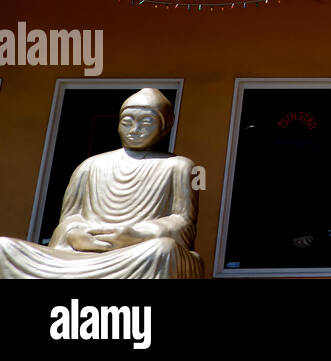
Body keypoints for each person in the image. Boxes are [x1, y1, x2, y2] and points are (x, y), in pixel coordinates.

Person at [0, 88, 203, 279]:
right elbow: (70, 219)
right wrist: (74, 235)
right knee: (4, 247)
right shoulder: (90, 166)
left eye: (147, 122)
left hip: (135, 253)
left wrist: (137, 235)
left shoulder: (182, 167)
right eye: (127, 121)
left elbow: (184, 224)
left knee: (162, 251)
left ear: (165, 126)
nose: (135, 129)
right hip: (80, 252)